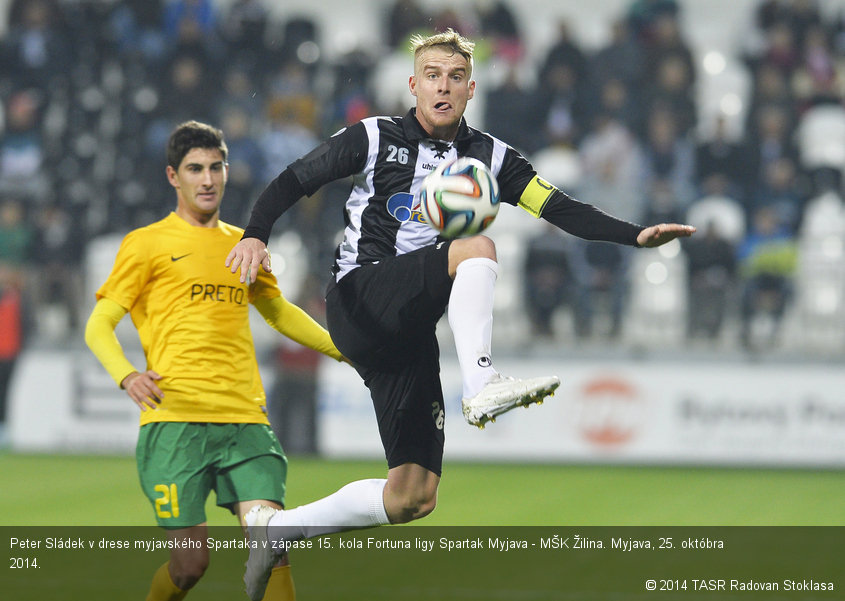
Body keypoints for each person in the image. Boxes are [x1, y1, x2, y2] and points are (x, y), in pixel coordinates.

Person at [225, 30, 695, 600]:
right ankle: (481, 381)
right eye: (432, 76)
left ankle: (279, 531)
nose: (442, 87)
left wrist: (635, 235)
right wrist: (254, 234)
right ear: (413, 84)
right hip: (360, 294)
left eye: (454, 78)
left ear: (471, 89)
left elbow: (560, 208)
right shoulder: (374, 137)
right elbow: (295, 179)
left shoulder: (492, 156)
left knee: (413, 497)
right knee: (478, 247)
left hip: (407, 329)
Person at [85, 121, 345, 601]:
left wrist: (343, 350)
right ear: (173, 176)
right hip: (176, 420)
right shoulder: (146, 244)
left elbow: (279, 312)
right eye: (195, 169)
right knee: (189, 566)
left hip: (245, 419)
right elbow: (98, 324)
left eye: (216, 167)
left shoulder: (244, 244)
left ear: (227, 171)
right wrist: (126, 375)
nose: (207, 179)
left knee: (272, 543)